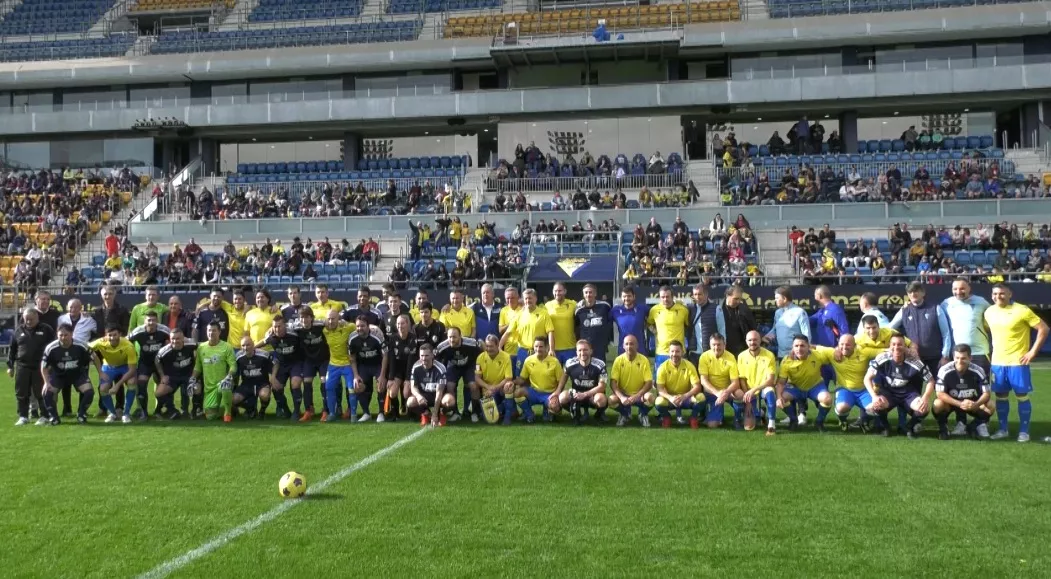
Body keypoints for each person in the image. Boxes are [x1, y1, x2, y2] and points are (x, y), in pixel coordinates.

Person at [983, 283, 1049, 442]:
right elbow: (986, 330)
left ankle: (1024, 432)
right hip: (997, 362)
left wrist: (1032, 352)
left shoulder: (1022, 310)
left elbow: (1044, 328)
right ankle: (1003, 430)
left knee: (1021, 395)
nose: (998, 296)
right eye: (995, 294)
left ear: (1010, 294)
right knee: (1001, 396)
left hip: (1017, 362)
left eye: (1002, 293)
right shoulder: (989, 312)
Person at [863, 335, 935, 438]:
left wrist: (925, 398)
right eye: (893, 344)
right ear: (889, 346)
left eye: (900, 344)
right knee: (877, 405)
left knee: (924, 409)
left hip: (908, 394)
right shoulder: (881, 358)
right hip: (888, 393)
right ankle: (886, 427)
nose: (896, 347)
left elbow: (931, 381)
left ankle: (909, 427)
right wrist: (874, 397)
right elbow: (867, 379)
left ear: (905, 346)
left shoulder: (915, 362)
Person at [41, 324, 99, 424]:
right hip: (58, 375)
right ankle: (54, 417)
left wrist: (101, 373)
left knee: (89, 392)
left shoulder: (81, 345)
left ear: (72, 334)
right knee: (47, 393)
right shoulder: (50, 347)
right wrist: (46, 382)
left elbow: (95, 357)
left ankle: (81, 414)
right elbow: (43, 367)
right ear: (57, 335)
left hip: (77, 374)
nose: (63, 338)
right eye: (61, 335)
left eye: (66, 335)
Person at [776, 335, 835, 432]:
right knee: (782, 398)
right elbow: (781, 383)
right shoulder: (787, 360)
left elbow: (833, 352)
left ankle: (819, 422)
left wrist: (837, 352)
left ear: (808, 346)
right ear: (792, 347)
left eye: (802, 346)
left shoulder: (818, 355)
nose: (799, 349)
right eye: (796, 346)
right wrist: (779, 397)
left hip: (815, 386)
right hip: (796, 388)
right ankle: (793, 420)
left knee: (827, 399)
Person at [933, 344, 992, 440]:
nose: (959, 361)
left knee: (990, 405)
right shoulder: (944, 370)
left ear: (970, 358)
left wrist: (976, 404)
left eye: (963, 358)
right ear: (953, 357)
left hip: (971, 402)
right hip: (952, 402)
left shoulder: (978, 370)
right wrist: (959, 404)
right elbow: (939, 393)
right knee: (937, 404)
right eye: (957, 358)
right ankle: (943, 427)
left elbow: (987, 393)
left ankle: (977, 425)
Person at [8, 308, 56, 425]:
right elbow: (12, 349)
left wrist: (51, 364)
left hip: (40, 366)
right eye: (26, 319)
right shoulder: (18, 330)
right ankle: (23, 416)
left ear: (37, 317)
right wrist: (10, 366)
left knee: (41, 392)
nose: (28, 321)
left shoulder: (46, 329)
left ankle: (44, 415)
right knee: (21, 392)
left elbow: (53, 347)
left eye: (31, 319)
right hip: (22, 366)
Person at [90, 324, 140, 424]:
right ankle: (112, 413)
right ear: (106, 335)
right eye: (110, 335)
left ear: (120, 334)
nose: (112, 338)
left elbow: (132, 369)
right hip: (108, 367)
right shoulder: (100, 342)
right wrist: (100, 372)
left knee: (132, 382)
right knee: (103, 389)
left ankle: (126, 414)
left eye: (115, 335)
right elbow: (87, 349)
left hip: (125, 367)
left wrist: (117, 385)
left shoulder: (128, 346)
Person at [552, 339, 609, 425]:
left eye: (585, 350)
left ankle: (598, 415)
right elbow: (564, 378)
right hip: (576, 394)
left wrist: (585, 394)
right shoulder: (569, 363)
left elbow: (602, 386)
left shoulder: (600, 364)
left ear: (591, 351)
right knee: (562, 397)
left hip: (593, 395)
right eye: (580, 350)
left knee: (601, 399)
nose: (582, 353)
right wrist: (558, 391)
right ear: (576, 352)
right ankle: (576, 412)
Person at [828, 334, 877, 431]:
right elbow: (816, 349)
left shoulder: (864, 352)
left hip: (863, 390)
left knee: (875, 407)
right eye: (841, 344)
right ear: (838, 344)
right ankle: (843, 421)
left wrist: (906, 349)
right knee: (842, 407)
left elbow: (884, 351)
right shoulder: (832, 353)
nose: (844, 347)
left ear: (855, 346)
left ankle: (865, 421)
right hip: (845, 389)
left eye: (848, 344)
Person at [942, 278, 991, 372]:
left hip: (979, 352)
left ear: (969, 288)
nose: (958, 292)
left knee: (982, 380)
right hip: (958, 354)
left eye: (962, 288)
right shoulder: (946, 303)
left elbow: (995, 315)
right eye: (955, 289)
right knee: (960, 381)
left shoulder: (981, 302)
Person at [56, 298, 96, 416]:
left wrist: (90, 345)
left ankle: (82, 409)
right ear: (67, 308)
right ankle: (67, 409)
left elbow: (96, 334)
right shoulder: (61, 319)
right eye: (71, 307)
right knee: (65, 383)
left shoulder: (89, 320)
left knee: (83, 381)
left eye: (76, 307)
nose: (73, 309)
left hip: (82, 355)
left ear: (81, 308)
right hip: (65, 353)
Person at [192, 320, 238, 422]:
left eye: (214, 330)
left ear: (219, 332)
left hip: (222, 384)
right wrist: (192, 379)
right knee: (210, 417)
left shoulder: (227, 347)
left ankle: (227, 413)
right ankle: (229, 407)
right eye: (209, 330)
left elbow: (233, 365)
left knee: (226, 386)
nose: (211, 333)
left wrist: (228, 376)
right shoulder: (201, 348)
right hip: (209, 388)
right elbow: (198, 367)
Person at [128, 311, 171, 418]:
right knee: (141, 385)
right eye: (149, 320)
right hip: (145, 363)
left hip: (160, 363)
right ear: (144, 321)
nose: (151, 323)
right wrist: (132, 354)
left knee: (164, 386)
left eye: (153, 320)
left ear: (157, 321)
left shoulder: (164, 330)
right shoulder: (138, 331)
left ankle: (158, 410)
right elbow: (127, 342)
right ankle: (144, 412)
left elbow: (176, 338)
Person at [501, 288, 554, 373]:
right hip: (522, 351)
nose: (527, 300)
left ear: (535, 299)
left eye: (530, 298)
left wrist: (551, 349)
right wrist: (499, 347)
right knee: (519, 377)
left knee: (538, 375)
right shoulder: (519, 315)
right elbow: (507, 333)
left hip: (539, 351)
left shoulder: (543, 313)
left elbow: (550, 332)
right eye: (525, 298)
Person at [514, 336, 564, 424]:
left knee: (555, 407)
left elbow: (561, 381)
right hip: (534, 392)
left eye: (541, 346)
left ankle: (547, 410)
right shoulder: (528, 360)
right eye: (536, 346)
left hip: (549, 394)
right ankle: (529, 414)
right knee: (517, 393)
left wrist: (557, 393)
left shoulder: (554, 361)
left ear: (546, 347)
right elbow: (522, 379)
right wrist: (511, 382)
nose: (538, 349)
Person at [697, 333, 742, 429]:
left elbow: (735, 382)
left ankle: (738, 418)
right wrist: (717, 393)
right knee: (712, 425)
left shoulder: (731, 357)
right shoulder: (704, 357)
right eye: (714, 345)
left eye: (719, 345)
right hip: (712, 392)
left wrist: (725, 392)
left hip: (728, 391)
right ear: (710, 345)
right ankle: (714, 415)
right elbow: (703, 381)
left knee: (739, 394)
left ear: (724, 345)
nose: (716, 347)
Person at [654, 340, 703, 428]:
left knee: (701, 398)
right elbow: (660, 389)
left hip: (686, 398)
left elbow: (697, 387)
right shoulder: (662, 367)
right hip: (670, 399)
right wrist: (670, 398)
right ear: (668, 352)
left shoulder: (689, 366)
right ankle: (666, 417)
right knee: (659, 402)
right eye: (672, 351)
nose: (674, 354)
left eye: (677, 351)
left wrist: (684, 396)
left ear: (682, 352)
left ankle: (693, 417)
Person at [608, 334, 654, 427]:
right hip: (624, 394)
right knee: (610, 400)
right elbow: (613, 382)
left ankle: (642, 414)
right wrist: (621, 397)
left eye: (632, 344)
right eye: (627, 344)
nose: (629, 346)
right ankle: (625, 414)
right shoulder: (618, 360)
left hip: (639, 394)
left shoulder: (644, 360)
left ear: (637, 346)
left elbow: (649, 382)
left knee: (651, 398)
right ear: (623, 346)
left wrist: (637, 395)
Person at [436, 327, 481, 422]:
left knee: (473, 385)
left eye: (454, 337)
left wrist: (479, 369)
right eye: (449, 337)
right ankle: (455, 412)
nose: (452, 339)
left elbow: (482, 352)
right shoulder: (442, 346)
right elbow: (435, 360)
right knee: (450, 385)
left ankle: (475, 412)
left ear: (460, 336)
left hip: (470, 365)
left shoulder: (471, 343)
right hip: (454, 365)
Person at [348, 316, 387, 423]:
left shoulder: (377, 335)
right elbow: (352, 358)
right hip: (363, 366)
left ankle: (381, 413)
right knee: (358, 386)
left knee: (381, 385)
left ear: (368, 326)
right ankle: (366, 413)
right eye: (357, 326)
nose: (359, 328)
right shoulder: (352, 337)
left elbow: (385, 356)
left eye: (362, 326)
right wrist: (356, 375)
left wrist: (382, 375)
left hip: (377, 364)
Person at [737, 330, 777, 434]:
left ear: (760, 340)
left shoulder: (769, 355)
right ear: (746, 341)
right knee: (749, 427)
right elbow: (742, 379)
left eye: (755, 340)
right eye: (750, 340)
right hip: (749, 390)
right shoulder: (741, 356)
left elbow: (770, 380)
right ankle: (761, 412)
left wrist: (754, 389)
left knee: (770, 392)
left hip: (763, 387)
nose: (752, 342)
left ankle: (771, 425)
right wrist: (748, 397)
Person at [290, 306, 327, 422]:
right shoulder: (296, 327)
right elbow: (283, 326)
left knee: (324, 381)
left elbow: (332, 322)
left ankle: (326, 411)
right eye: (301, 317)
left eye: (307, 317)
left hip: (323, 359)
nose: (304, 320)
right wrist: (271, 329)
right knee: (306, 382)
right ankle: (308, 410)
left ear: (311, 318)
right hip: (309, 360)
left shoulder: (320, 325)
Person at [155, 327, 198, 419]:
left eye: (177, 338)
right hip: (172, 377)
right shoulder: (164, 351)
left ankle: (193, 411)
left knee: (197, 389)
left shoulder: (191, 344)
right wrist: (162, 376)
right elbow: (157, 361)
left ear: (183, 338)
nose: (175, 341)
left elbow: (201, 347)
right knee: (159, 393)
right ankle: (172, 410)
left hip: (188, 375)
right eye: (172, 339)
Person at [321, 309, 356, 422]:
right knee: (328, 387)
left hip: (347, 364)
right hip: (333, 364)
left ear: (338, 319)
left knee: (351, 388)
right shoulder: (325, 330)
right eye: (329, 319)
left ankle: (353, 415)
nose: (331, 321)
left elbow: (360, 327)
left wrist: (374, 328)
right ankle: (332, 413)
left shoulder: (348, 327)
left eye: (333, 319)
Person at [263, 315, 300, 419]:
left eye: (279, 326)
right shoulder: (271, 337)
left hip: (296, 363)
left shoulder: (294, 334)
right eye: (275, 326)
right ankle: (286, 410)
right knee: (275, 386)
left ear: (285, 325)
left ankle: (296, 412)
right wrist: (251, 348)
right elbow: (263, 342)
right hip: (281, 365)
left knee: (295, 383)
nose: (277, 329)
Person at [408, 343, 453, 427]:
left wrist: (435, 414)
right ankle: (426, 414)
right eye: (422, 355)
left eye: (426, 355)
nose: (424, 358)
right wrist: (418, 396)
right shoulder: (416, 367)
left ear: (432, 355)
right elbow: (413, 387)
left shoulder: (440, 368)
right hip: (424, 396)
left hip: (439, 396)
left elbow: (439, 393)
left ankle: (441, 414)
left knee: (449, 400)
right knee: (410, 402)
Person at [232, 336, 278, 419]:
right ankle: (251, 408)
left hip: (262, 384)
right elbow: (234, 370)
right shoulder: (238, 356)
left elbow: (276, 363)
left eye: (248, 345)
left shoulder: (263, 354)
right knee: (233, 400)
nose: (245, 348)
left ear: (253, 344)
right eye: (243, 345)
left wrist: (273, 376)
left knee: (264, 395)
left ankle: (262, 411)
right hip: (246, 385)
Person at [384, 314, 419, 420]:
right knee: (392, 392)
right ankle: (395, 414)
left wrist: (408, 379)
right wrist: (391, 378)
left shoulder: (413, 338)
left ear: (408, 324)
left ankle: (411, 413)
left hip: (410, 369)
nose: (400, 326)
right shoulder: (393, 338)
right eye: (398, 323)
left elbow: (411, 360)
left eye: (402, 323)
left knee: (406, 393)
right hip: (398, 370)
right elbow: (392, 359)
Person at [473, 334, 514, 424]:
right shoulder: (480, 358)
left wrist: (495, 388)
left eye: (491, 346)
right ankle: (506, 408)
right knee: (489, 419)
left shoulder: (506, 357)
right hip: (487, 391)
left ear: (497, 345)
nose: (489, 349)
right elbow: (477, 378)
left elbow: (508, 378)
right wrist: (488, 387)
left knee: (509, 385)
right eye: (487, 346)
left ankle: (507, 417)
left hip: (501, 388)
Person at [647, 285, 689, 368]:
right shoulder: (654, 310)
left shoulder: (683, 310)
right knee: (660, 376)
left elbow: (688, 325)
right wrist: (654, 331)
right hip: (661, 352)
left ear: (672, 296)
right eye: (662, 297)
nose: (665, 299)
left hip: (679, 352)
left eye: (667, 296)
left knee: (680, 376)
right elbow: (649, 323)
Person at [763, 286, 809, 359]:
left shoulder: (799, 312)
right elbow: (775, 329)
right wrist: (766, 336)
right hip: (781, 355)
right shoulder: (777, 313)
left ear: (784, 299)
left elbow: (807, 334)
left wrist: (805, 352)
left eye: (777, 298)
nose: (775, 300)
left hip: (796, 355)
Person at [574, 284, 613, 362]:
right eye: (586, 292)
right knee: (585, 367)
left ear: (595, 294)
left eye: (590, 292)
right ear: (583, 294)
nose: (588, 295)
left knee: (600, 367)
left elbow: (610, 320)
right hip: (585, 347)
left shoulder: (605, 306)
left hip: (600, 346)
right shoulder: (579, 310)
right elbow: (576, 326)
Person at [715, 285, 756, 356]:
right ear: (727, 295)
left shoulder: (745, 310)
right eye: (736, 299)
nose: (738, 301)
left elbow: (753, 328)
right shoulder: (716, 309)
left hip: (741, 350)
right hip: (722, 348)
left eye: (740, 299)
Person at [611, 286, 649, 356]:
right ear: (621, 297)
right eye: (624, 296)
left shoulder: (642, 308)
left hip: (640, 350)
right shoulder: (615, 311)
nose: (626, 298)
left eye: (629, 296)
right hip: (623, 350)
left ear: (634, 297)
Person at [546, 282, 578, 365]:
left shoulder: (573, 304)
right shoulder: (547, 305)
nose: (557, 293)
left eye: (560, 291)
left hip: (570, 347)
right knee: (555, 373)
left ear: (565, 291)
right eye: (555, 291)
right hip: (553, 349)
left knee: (572, 372)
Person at [498, 287, 523, 375]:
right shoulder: (504, 311)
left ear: (518, 297)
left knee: (521, 377)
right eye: (507, 298)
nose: (510, 300)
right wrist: (512, 323)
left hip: (522, 348)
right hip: (508, 350)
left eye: (512, 298)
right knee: (510, 376)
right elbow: (500, 330)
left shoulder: (524, 309)